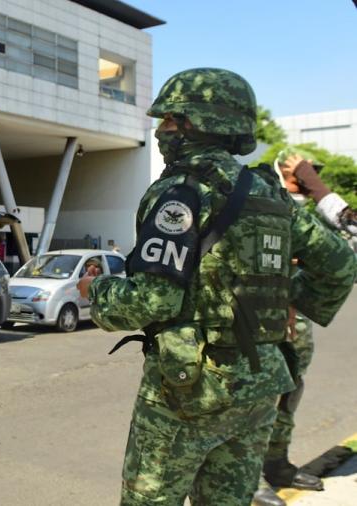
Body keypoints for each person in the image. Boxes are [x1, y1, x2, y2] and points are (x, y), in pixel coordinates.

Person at [77, 68, 356, 505]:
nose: (160, 131)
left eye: (169, 120)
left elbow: (154, 298)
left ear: (198, 123)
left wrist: (97, 292)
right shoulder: (271, 194)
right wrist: (282, 295)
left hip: (190, 392)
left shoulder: (182, 192)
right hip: (260, 386)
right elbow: (340, 264)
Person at [253, 149, 357, 506]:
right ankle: (248, 478)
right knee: (259, 397)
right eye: (306, 171)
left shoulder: (306, 211)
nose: (309, 176)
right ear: (283, 169)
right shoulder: (262, 196)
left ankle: (277, 464)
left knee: (290, 391)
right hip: (262, 319)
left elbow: (345, 239)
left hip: (299, 324)